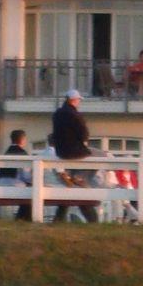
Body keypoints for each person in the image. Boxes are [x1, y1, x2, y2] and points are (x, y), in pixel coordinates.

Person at [50, 88, 96, 223]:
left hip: (60, 152)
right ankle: (80, 177)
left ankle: (60, 217)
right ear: (74, 100)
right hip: (75, 151)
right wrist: (84, 143)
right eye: (78, 100)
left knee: (69, 184)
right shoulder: (75, 114)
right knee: (98, 156)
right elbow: (84, 133)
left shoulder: (57, 114)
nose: (79, 103)